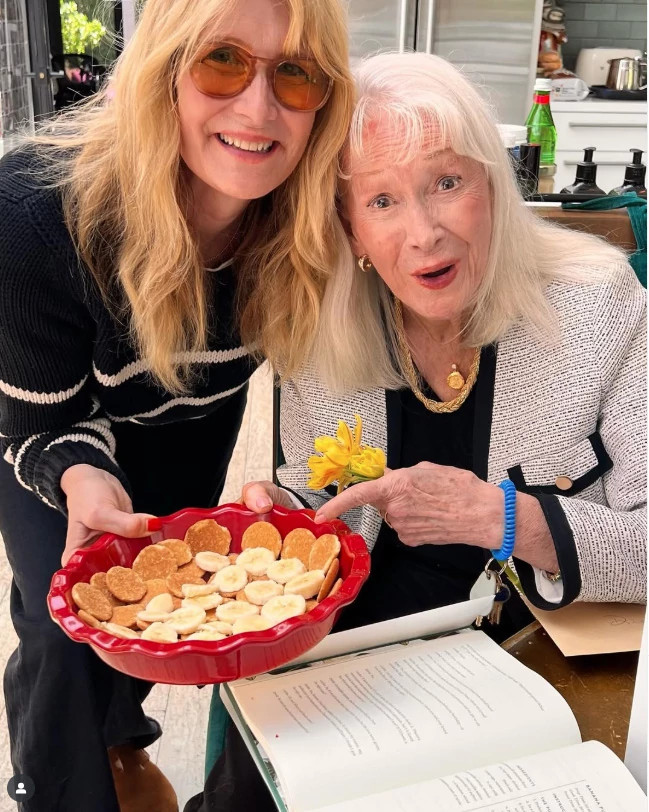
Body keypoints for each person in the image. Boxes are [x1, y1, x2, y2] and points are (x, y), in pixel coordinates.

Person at [197, 51, 646, 811]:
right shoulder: (318, 333)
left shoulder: (597, 304)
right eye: (381, 201)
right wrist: (284, 516)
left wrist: (504, 519)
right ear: (350, 228)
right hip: (359, 651)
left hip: (532, 652)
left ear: (493, 186)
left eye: (446, 183)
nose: (424, 233)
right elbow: (319, 498)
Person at [0, 0, 353, 809]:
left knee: (165, 598)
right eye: (220, 61)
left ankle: (120, 737)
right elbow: (38, 426)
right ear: (162, 72)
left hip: (192, 416)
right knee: (60, 626)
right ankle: (51, 789)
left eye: (295, 74)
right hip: (49, 419)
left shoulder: (311, 215)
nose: (258, 109)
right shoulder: (32, 215)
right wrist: (80, 476)